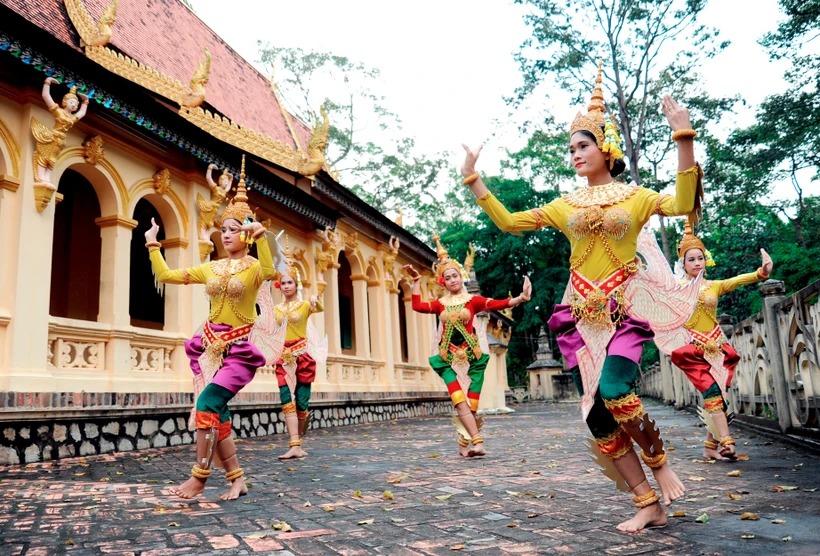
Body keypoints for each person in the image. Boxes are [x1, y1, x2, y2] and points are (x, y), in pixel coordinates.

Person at [461, 60, 703, 531]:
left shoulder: (634, 197)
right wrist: (475, 181)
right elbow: (510, 223)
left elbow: (681, 204)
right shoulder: (564, 205)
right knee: (594, 416)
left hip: (625, 310)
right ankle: (645, 503)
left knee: (615, 391)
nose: (574, 154)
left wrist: (684, 140)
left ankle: (660, 463)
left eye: (583, 145)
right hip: (578, 314)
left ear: (605, 148)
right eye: (570, 148)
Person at [144, 156, 280, 500]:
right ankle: (237, 480)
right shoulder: (212, 268)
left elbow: (268, 269)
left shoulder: (252, 269)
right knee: (216, 415)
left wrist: (261, 235)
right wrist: (152, 245)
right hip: (208, 349)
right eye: (224, 229)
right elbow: (167, 277)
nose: (227, 234)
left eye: (234, 229)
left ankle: (199, 478)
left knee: (206, 404)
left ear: (246, 234)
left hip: (238, 352)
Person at [404, 234, 531, 457]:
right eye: (448, 277)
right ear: (442, 281)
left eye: (455, 275)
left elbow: (499, 303)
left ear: (461, 277)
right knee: (459, 402)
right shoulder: (439, 304)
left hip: (472, 359)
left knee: (471, 406)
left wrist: (521, 297)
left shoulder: (473, 301)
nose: (453, 280)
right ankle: (478, 442)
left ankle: (464, 443)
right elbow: (417, 306)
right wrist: (416, 282)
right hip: (447, 361)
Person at [671, 221, 773, 460]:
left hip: (717, 347)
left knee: (721, 399)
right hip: (692, 349)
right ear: (683, 264)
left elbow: (737, 280)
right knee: (712, 396)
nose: (697, 263)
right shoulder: (675, 289)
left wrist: (762, 272)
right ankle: (728, 442)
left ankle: (710, 447)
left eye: (700, 258)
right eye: (691, 260)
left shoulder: (713, 286)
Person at [269, 235, 326, 460]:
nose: (286, 286)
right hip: (284, 358)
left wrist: (314, 300)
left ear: (296, 284)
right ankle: (293, 444)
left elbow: (318, 308)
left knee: (302, 402)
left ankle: (299, 443)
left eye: (289, 282)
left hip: (303, 355)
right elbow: (268, 328)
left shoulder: (304, 305)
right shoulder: (276, 309)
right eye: (282, 283)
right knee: (286, 398)